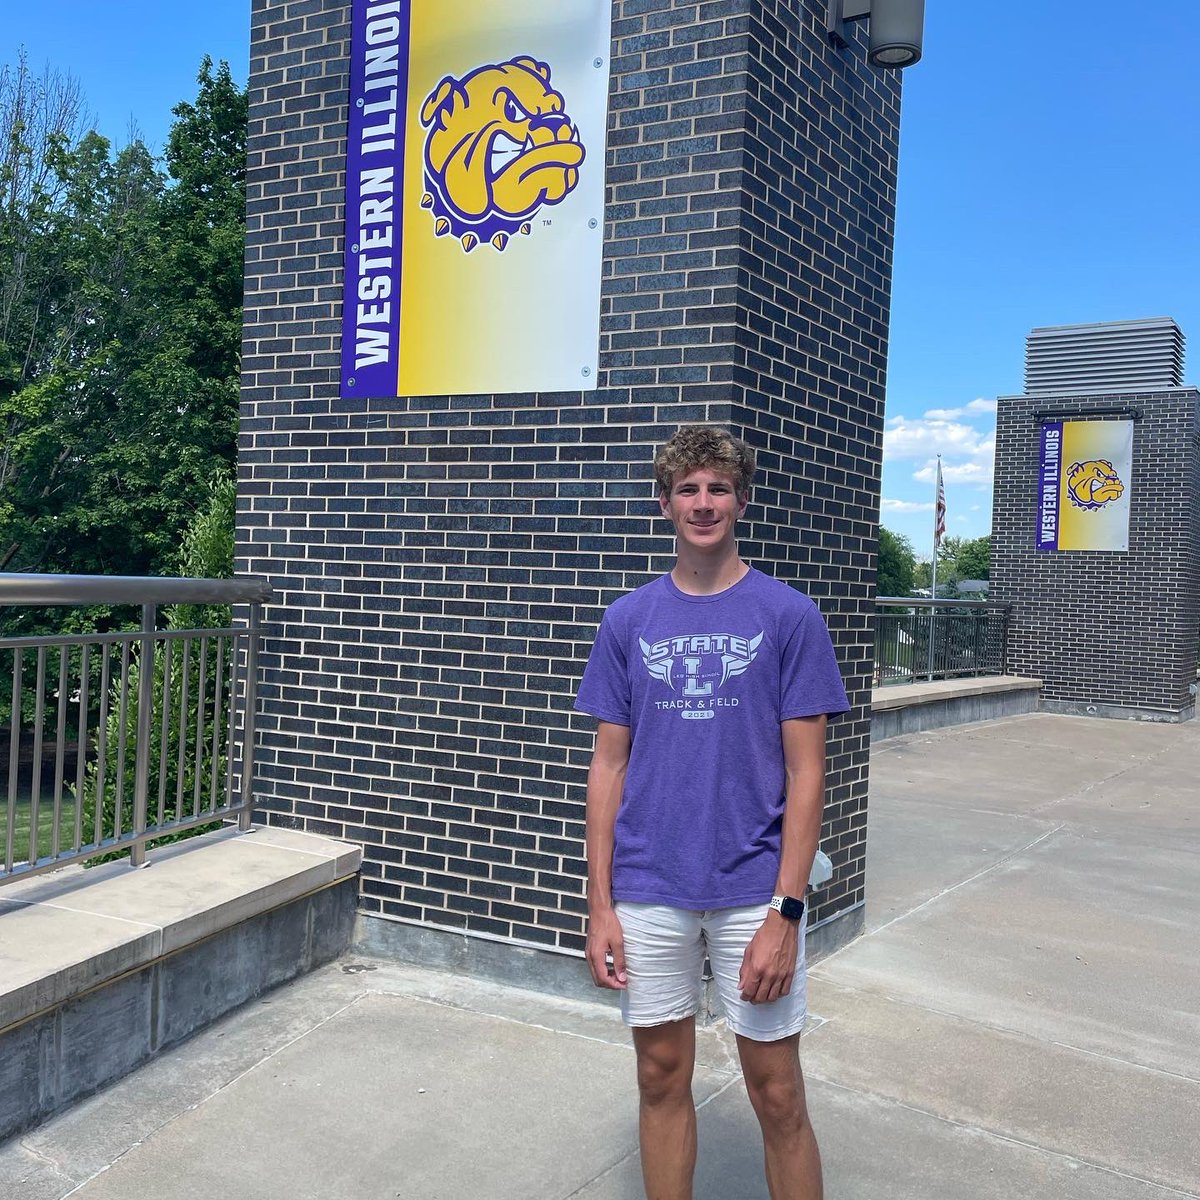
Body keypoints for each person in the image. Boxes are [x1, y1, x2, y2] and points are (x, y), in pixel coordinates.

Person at [574, 425, 850, 1200]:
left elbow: (807, 774)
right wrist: (600, 905)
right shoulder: (628, 620)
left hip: (752, 892)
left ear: (741, 500)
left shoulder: (788, 616)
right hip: (649, 884)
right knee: (661, 1078)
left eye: (718, 488)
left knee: (777, 1092)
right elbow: (608, 764)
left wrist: (785, 913)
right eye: (688, 489)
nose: (704, 503)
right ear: (665, 505)